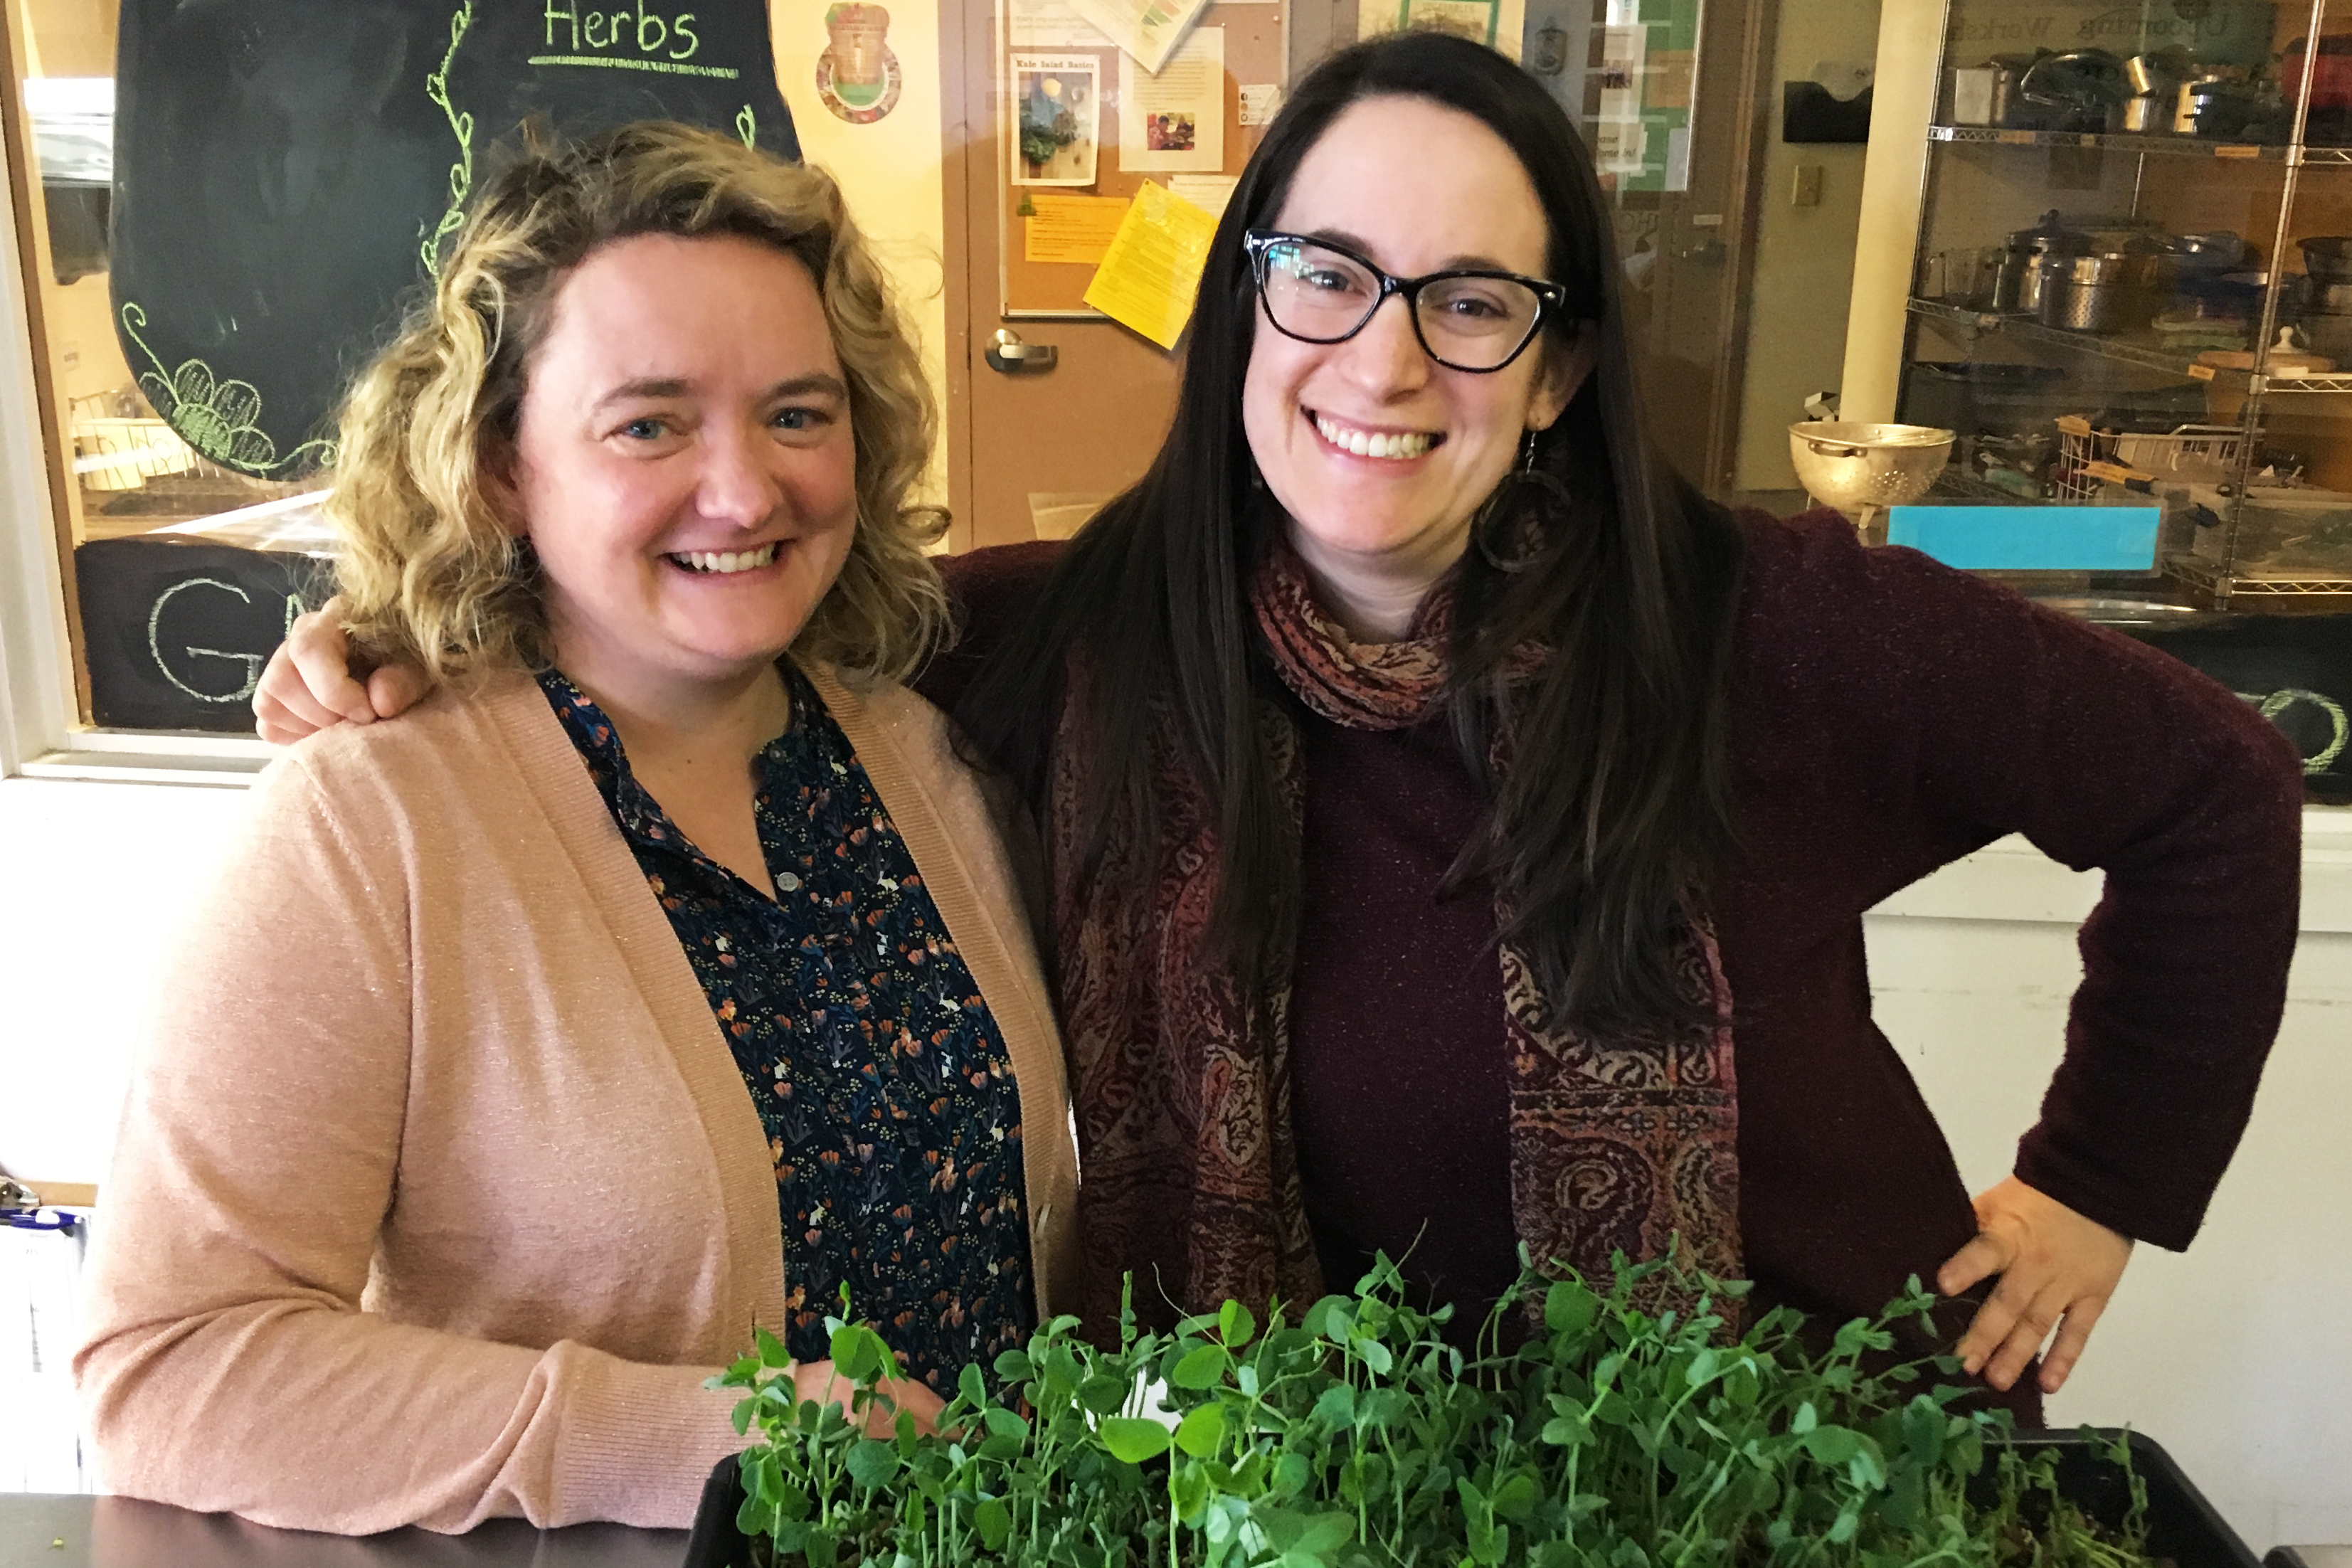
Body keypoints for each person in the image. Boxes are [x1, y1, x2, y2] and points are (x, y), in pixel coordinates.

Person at [256, 35, 2304, 1425]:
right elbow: (725, 597)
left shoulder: (1766, 622)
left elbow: (2212, 788)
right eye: (1325, 273)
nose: (1384, 357)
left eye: (1470, 299)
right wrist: (428, 631)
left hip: (1787, 1485)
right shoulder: (1058, 645)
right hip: (1311, 1505)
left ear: (1558, 364)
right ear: (1245, 301)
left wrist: (2096, 1183)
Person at [80, 122, 1078, 1535]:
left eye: (798, 412)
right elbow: (161, 1368)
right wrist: (719, 1437)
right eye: (649, 424)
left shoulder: (924, 756)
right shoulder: (366, 829)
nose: (744, 490)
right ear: (500, 469)